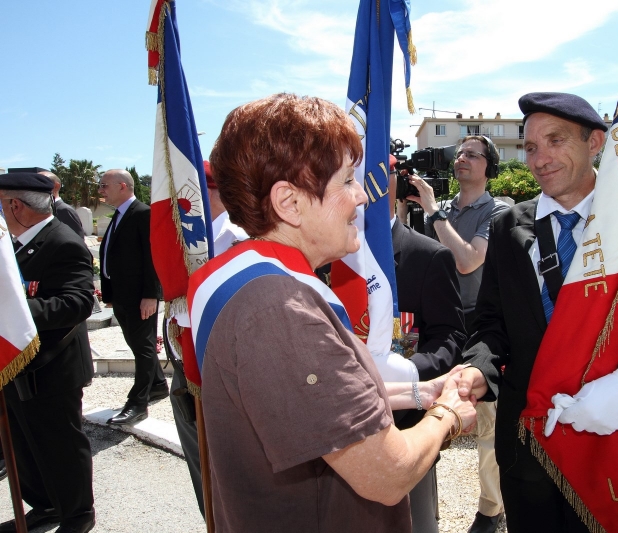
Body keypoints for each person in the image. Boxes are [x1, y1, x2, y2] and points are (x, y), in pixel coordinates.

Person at [188, 93, 477, 532]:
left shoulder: (251, 279)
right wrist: (449, 415)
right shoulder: (278, 309)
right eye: (346, 181)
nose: (363, 195)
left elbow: (315, 409)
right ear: (289, 202)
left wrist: (424, 392)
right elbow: (388, 473)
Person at [455, 93, 618, 532]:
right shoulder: (507, 226)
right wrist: (477, 369)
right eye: (531, 147)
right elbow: (490, 324)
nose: (540, 159)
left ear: (595, 142)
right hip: (527, 449)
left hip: (612, 443)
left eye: (555, 140)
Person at [409, 136, 509, 532]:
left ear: (489, 166)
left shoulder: (499, 212)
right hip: (438, 326)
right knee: (423, 409)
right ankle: (421, 504)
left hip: (480, 329)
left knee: (488, 422)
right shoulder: (442, 211)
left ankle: (491, 509)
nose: (461, 159)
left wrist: (433, 213)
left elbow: (468, 261)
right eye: (459, 154)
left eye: (472, 154)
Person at [0, 172, 95, 533]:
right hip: (17, 366)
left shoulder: (62, 242)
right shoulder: (13, 244)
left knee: (60, 448)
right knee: (25, 447)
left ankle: (77, 516)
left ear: (15, 205)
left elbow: (77, 303)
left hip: (53, 368)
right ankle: (45, 507)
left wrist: (16, 314)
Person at [164, 159, 248, 517]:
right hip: (183, 367)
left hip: (225, 376)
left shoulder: (239, 243)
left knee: (233, 473)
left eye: (189, 192)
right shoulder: (177, 243)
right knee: (200, 465)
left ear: (216, 194)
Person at [390, 156, 467, 532]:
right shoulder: (324, 257)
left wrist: (407, 372)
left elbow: (450, 336)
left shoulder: (427, 255)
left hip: (406, 425)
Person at [98, 169, 167, 425]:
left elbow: (152, 257)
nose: (101, 190)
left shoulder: (142, 213)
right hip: (121, 296)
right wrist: (109, 293)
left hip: (140, 296)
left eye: (104, 185)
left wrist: (151, 295)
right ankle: (158, 385)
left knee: (143, 347)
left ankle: (138, 403)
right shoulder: (119, 215)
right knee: (138, 345)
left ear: (123, 186)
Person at [38, 170, 85, 237]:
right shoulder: (41, 209)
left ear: (56, 186)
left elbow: (77, 241)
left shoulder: (65, 210)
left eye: (41, 184)